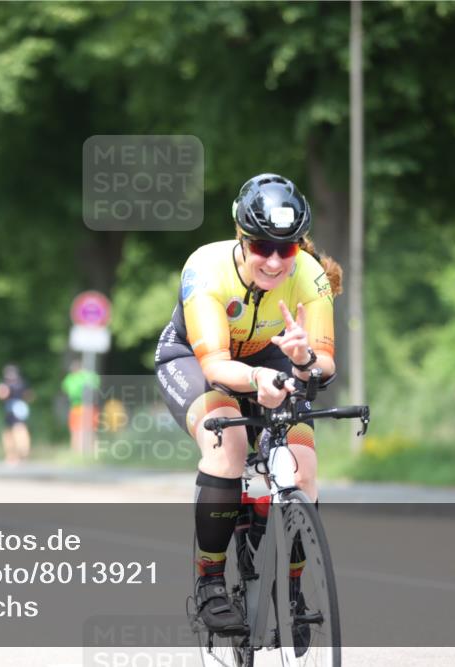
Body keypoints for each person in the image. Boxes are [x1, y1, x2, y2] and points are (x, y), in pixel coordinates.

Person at [155, 173, 341, 634]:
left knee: (302, 467)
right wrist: (260, 378)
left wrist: (303, 359)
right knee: (230, 444)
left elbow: (325, 365)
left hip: (271, 354)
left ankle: (294, 591)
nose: (275, 261)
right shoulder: (206, 268)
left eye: (288, 247)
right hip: (196, 358)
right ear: (241, 238)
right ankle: (211, 583)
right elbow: (217, 365)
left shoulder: (310, 276)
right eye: (262, 247)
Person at [0, 365, 32, 465]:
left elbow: (1, 394)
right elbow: (29, 396)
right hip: (14, 411)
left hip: (14, 411)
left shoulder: (7, 385)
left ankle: (18, 454)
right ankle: (17, 454)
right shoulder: (22, 383)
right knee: (12, 432)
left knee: (16, 432)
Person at [61, 360, 100, 453]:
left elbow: (68, 391)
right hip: (80, 407)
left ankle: (89, 450)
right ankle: (79, 450)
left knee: (86, 430)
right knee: (78, 430)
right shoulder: (73, 378)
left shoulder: (76, 377)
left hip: (85, 407)